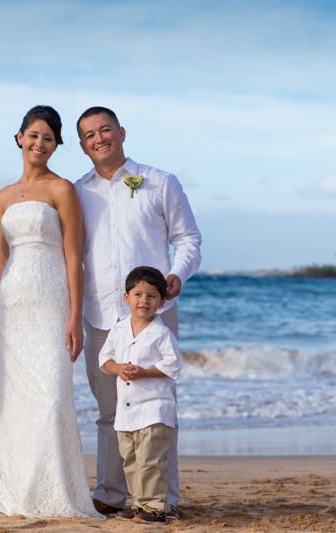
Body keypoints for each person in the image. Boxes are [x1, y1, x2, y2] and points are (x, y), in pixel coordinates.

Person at [0, 105, 102, 519]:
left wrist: (75, 316)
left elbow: (74, 257)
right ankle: (21, 487)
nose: (40, 143)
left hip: (51, 301)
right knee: (14, 400)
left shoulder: (62, 189)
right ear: (19, 137)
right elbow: (2, 258)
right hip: (11, 306)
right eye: (33, 135)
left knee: (52, 398)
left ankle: (55, 488)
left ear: (57, 146)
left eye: (49, 138)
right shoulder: (2, 195)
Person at [74, 106, 202, 519]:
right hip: (101, 316)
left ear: (121, 132)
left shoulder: (159, 182)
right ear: (82, 145)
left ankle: (165, 501)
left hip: (154, 314)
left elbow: (188, 239)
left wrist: (176, 275)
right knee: (110, 412)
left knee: (157, 408)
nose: (99, 138)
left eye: (105, 129)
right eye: (90, 135)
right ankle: (111, 495)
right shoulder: (78, 193)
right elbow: (73, 256)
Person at [100, 266, 181, 524]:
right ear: (126, 298)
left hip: (154, 409)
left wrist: (143, 373)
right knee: (131, 460)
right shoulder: (119, 329)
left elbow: (172, 365)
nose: (143, 301)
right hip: (127, 412)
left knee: (151, 460)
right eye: (137, 294)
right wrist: (119, 368)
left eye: (151, 296)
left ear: (162, 301)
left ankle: (156, 506)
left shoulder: (162, 333)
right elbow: (105, 359)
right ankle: (139, 504)